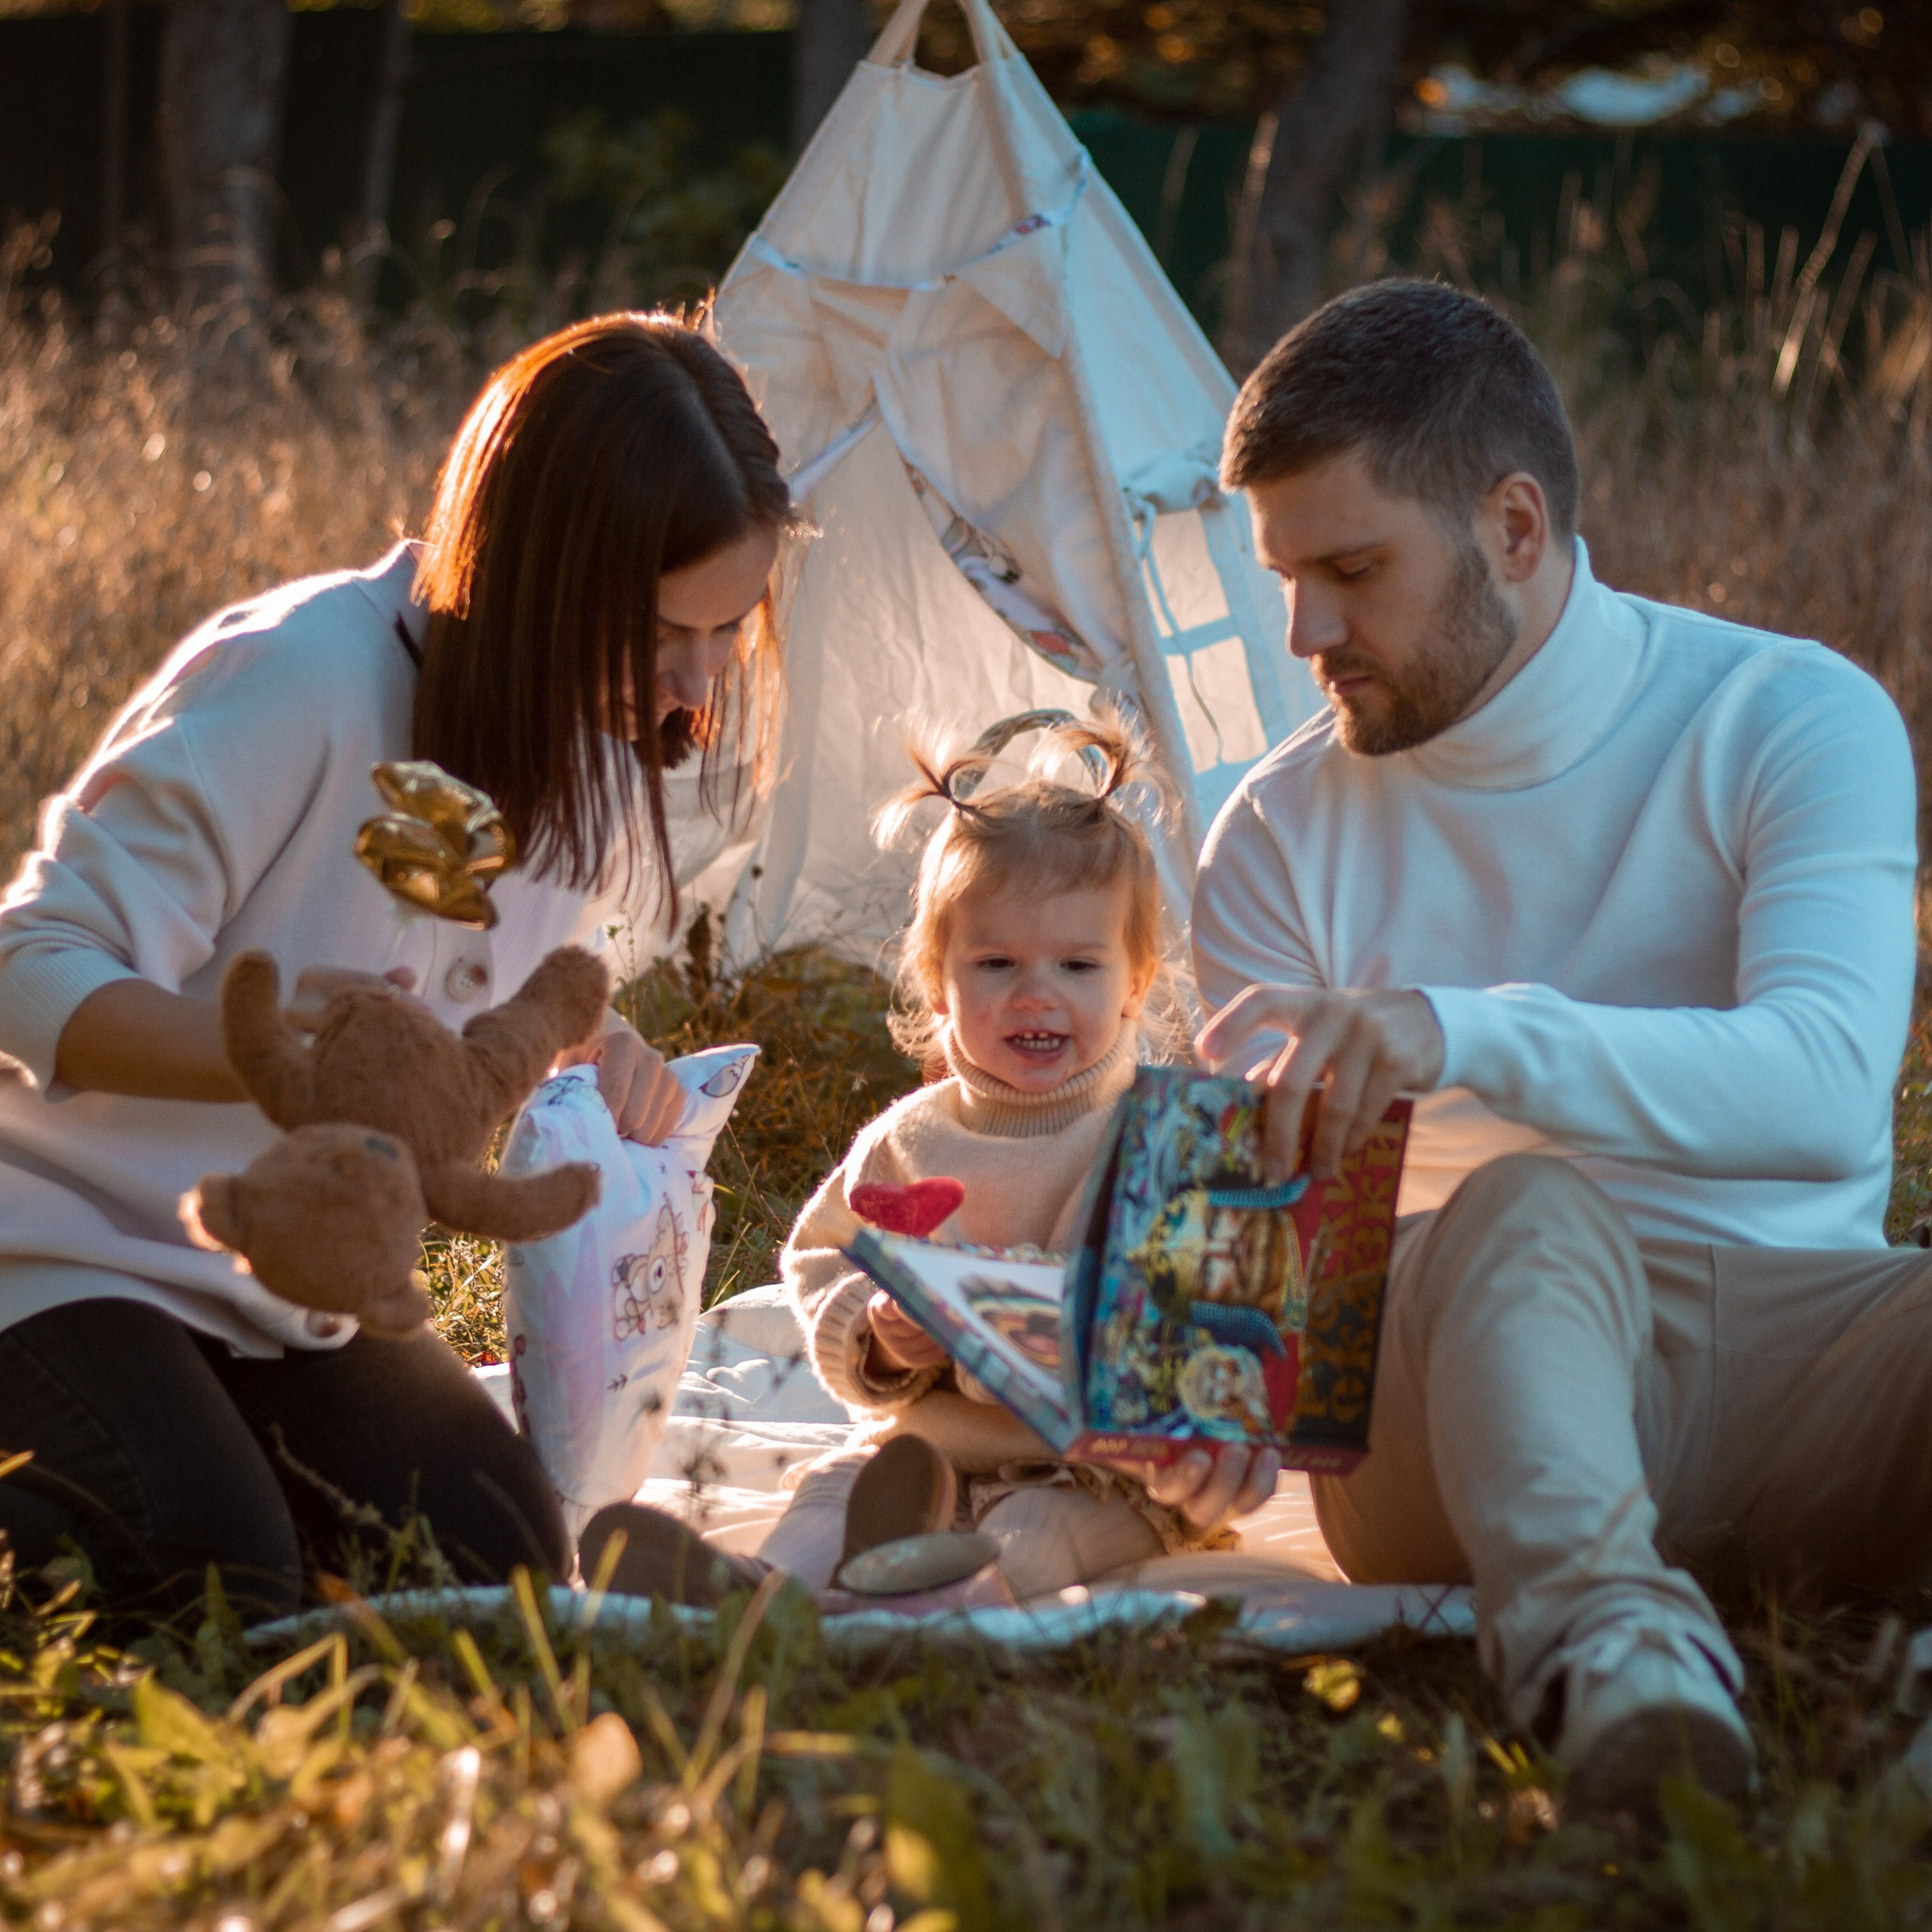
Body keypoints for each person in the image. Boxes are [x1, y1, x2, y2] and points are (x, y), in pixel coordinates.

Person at [1189, 276, 1924, 1818]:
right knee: (1524, 1211)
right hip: (1449, 1405)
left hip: (1794, 1351)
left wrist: (1458, 1031)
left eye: (1348, 568)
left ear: (1511, 529)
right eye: (1282, 579)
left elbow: (1820, 1086)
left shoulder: (1790, 717)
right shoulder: (1270, 832)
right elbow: (1268, 1261)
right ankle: (1622, 1669)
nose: (1305, 631)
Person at [0, 312, 795, 1621]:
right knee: (209, 1577)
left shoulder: (591, 754)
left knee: (500, 1563)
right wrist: (276, 1067)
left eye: (726, 632)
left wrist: (597, 1046)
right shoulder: (303, 677)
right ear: (546, 572)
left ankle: (219, 1463)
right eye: (665, 635)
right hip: (67, 1242)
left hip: (298, 1287)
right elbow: (31, 967)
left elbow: (472, 1010)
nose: (693, 690)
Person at [582, 716, 1280, 1605]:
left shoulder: (1164, 1136)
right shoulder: (910, 1137)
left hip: (1094, 1472)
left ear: (1136, 980)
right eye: (994, 962)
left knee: (1022, 1539)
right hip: (923, 1453)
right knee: (835, 1491)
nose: (1036, 992)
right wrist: (878, 1332)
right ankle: (768, 1590)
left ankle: (915, 1606)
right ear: (937, 977)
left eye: (1077, 963)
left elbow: (1204, 1306)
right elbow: (826, 1253)